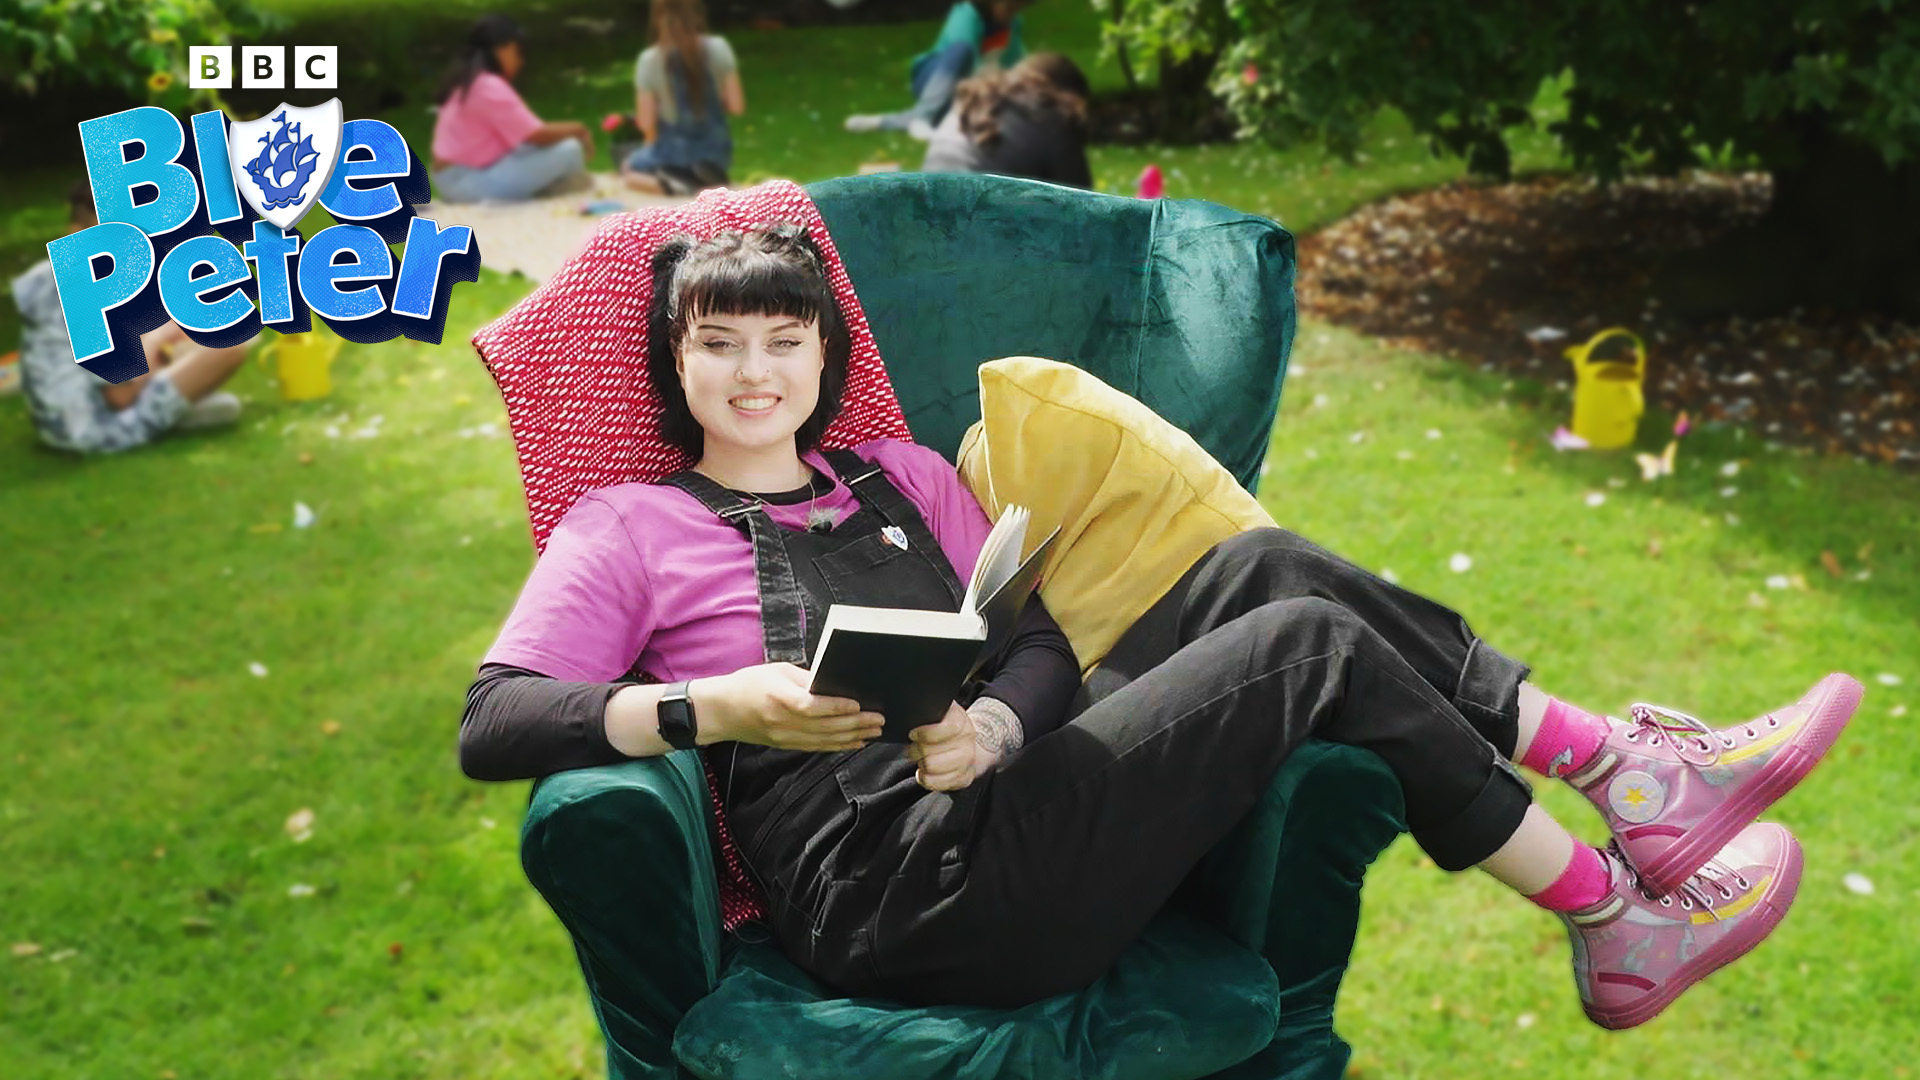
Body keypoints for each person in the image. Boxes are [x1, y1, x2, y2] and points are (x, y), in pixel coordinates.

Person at [461, 222, 1860, 1030]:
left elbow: (1040, 644)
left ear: (825, 357)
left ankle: (1624, 766)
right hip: (899, 901)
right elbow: (498, 718)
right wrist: (728, 707)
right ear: (677, 363)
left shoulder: (905, 482)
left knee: (1269, 571)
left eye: (783, 340)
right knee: (1303, 643)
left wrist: (999, 722)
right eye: (719, 342)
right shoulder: (626, 527)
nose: (754, 371)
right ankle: (1612, 913)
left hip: (1001, 803)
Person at [12, 180, 249, 455]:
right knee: (230, 344)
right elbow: (119, 396)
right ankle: (174, 408)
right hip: (94, 432)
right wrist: (158, 338)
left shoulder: (53, 275)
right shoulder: (89, 291)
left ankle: (178, 400)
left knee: (173, 331)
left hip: (53, 425)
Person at [430, 14, 596, 204]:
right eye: (518, 53)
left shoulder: (464, 81)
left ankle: (551, 187)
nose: (520, 62)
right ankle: (560, 189)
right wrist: (578, 130)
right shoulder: (488, 86)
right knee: (570, 149)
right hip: (470, 182)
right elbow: (536, 134)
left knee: (536, 149)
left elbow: (526, 138)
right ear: (504, 49)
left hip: (453, 178)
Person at [845, 1, 1035, 140]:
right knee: (962, 51)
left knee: (959, 121)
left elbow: (1016, 61)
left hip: (966, 89)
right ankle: (923, 116)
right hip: (935, 78)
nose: (1011, 14)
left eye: (1016, 9)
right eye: (1009, 8)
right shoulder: (967, 13)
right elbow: (965, 57)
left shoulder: (1012, 24)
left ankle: (886, 121)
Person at [621, 0, 745, 197]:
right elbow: (737, 106)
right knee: (703, 160)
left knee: (629, 168)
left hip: (673, 153)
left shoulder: (649, 60)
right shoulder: (719, 48)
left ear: (657, 19)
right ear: (697, 14)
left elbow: (646, 123)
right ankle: (703, 178)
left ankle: (677, 182)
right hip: (716, 152)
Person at [922, 51, 1092, 188]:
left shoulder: (973, 99)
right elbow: (1083, 208)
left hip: (928, 212)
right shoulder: (1054, 112)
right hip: (981, 219)